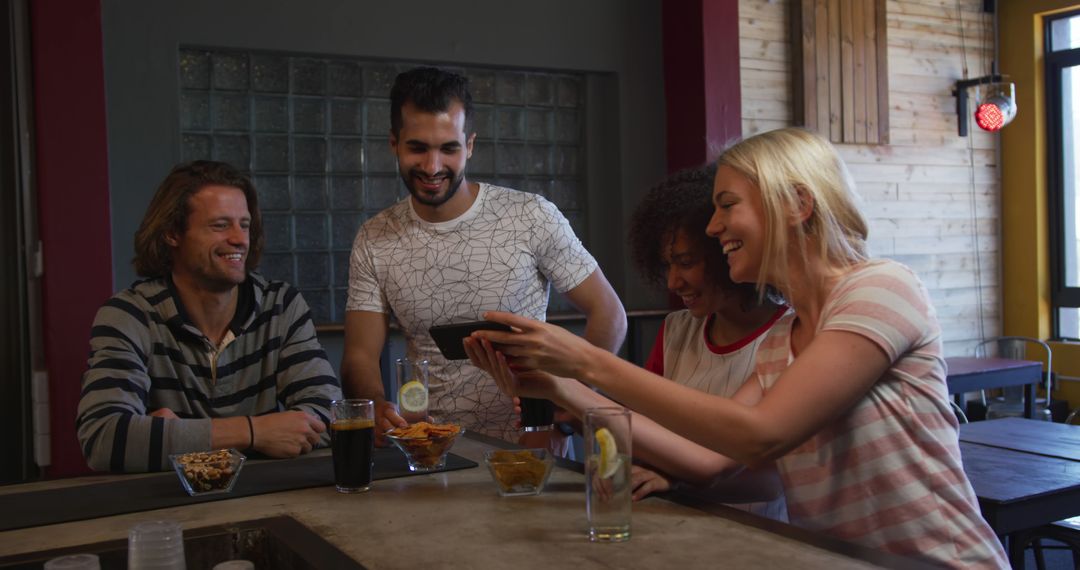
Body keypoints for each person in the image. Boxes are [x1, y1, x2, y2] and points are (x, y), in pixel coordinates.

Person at [466, 128, 1008, 568]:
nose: (713, 225)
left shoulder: (881, 288)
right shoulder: (782, 341)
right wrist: (557, 386)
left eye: (727, 205)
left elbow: (760, 434)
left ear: (797, 203)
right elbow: (707, 459)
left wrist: (587, 361)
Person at [341, 67, 626, 448]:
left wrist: (568, 405)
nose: (432, 167)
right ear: (394, 143)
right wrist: (376, 404)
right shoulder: (374, 237)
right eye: (418, 148)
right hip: (432, 452)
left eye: (449, 148)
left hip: (533, 449)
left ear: (470, 145)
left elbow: (609, 314)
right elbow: (360, 355)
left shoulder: (531, 215)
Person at [76, 161, 343, 473]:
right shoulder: (130, 314)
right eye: (220, 225)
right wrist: (255, 433)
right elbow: (103, 438)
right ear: (172, 233)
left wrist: (176, 436)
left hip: (263, 493)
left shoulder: (280, 305)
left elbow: (332, 416)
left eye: (244, 225)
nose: (240, 239)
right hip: (169, 501)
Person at [626, 166, 787, 519]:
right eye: (667, 265)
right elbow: (646, 432)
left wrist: (678, 480)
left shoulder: (791, 336)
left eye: (685, 263)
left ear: (725, 253)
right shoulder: (676, 330)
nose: (673, 282)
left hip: (758, 531)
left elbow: (772, 479)